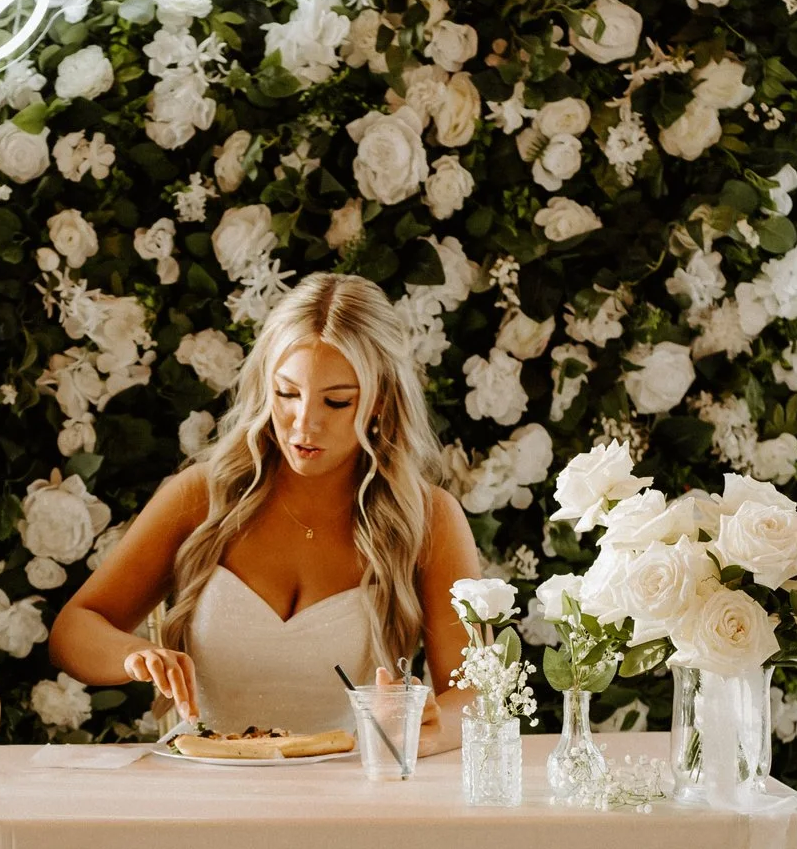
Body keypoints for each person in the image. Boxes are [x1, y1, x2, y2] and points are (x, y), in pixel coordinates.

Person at [48, 273, 481, 752]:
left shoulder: (428, 519)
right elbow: (74, 628)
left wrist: (418, 728)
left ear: (379, 400)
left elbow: (476, 695)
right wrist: (134, 656)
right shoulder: (201, 496)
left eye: (336, 401)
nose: (304, 423)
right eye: (287, 393)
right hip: (205, 791)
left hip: (351, 799)